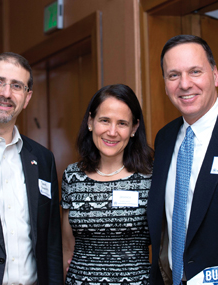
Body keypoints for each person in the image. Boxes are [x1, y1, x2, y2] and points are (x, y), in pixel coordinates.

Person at [147, 34, 218, 285]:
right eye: (173, 75)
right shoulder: (164, 139)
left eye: (195, 71)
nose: (184, 84)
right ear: (165, 84)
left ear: (215, 75)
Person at [0, 52, 63, 284]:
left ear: (27, 97)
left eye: (17, 86)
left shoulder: (42, 159)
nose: (6, 93)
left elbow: (51, 242)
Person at [61, 84, 153, 284]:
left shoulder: (150, 177)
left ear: (134, 128)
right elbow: (67, 246)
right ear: (90, 121)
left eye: (122, 123)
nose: (112, 132)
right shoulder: (72, 176)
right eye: (104, 120)